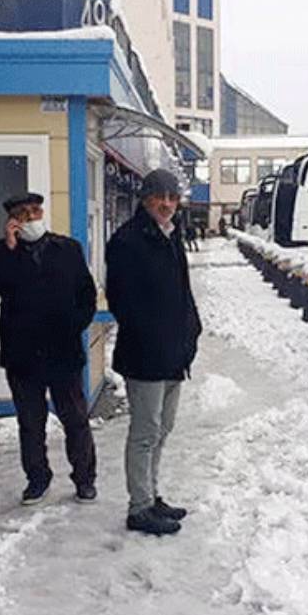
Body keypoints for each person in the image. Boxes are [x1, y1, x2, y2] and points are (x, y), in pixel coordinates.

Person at [0, 193, 98, 506]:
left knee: (76, 419)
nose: (32, 218)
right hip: (23, 355)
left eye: (35, 211)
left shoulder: (68, 249)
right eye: (24, 214)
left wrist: (75, 324)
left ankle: (84, 479)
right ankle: (37, 479)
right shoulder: (0, 252)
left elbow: (86, 293)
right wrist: (9, 249)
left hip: (63, 351)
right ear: (13, 220)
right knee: (31, 423)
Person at [106, 170, 203, 536]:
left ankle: (152, 494)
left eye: (172, 197)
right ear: (145, 199)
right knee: (145, 432)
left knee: (163, 429)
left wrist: (192, 330)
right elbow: (122, 302)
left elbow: (182, 291)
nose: (166, 203)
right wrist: (153, 336)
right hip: (145, 356)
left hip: (174, 354)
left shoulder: (170, 235)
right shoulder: (128, 241)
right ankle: (139, 507)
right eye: (159, 197)